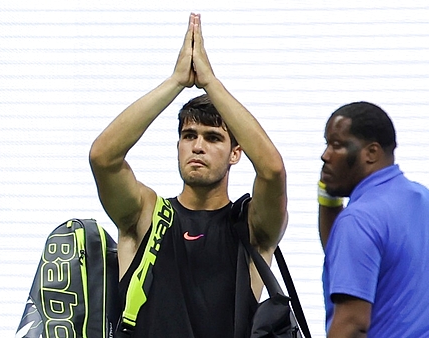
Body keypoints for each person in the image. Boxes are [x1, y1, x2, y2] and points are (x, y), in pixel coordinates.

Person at [89, 13, 287, 338]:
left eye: (213, 137)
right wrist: (175, 82)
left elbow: (273, 170)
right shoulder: (147, 216)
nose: (197, 146)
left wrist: (211, 82)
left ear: (236, 153)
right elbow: (103, 156)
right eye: (189, 135)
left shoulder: (250, 226)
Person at [317, 102, 429, 337]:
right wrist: (327, 192)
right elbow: (345, 262)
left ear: (371, 153)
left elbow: (352, 325)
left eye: (336, 145)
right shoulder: (425, 200)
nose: (325, 155)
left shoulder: (358, 220)